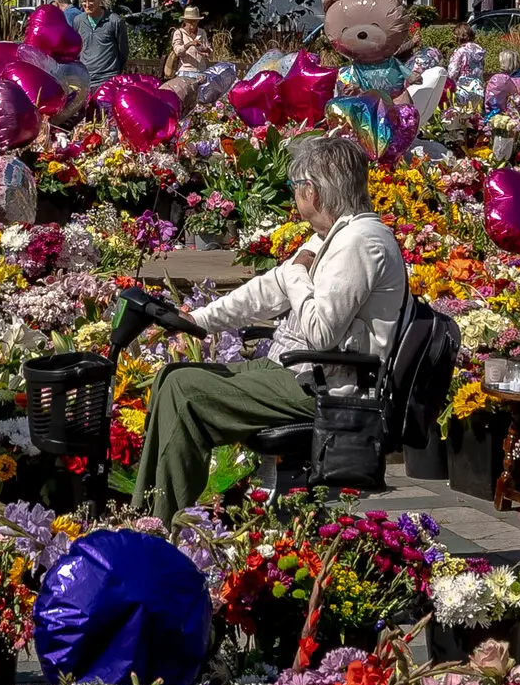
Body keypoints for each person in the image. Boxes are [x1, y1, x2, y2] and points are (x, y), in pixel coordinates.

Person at [133, 135, 407, 521]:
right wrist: (198, 321)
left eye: (295, 186)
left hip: (325, 386)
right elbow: (270, 289)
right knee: (172, 376)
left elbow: (321, 332)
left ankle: (165, 524)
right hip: (299, 370)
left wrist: (298, 274)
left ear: (312, 191)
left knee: (185, 391)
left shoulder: (360, 243)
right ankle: (147, 513)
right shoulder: (333, 237)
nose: (295, 195)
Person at [69, 0, 129, 86]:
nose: (87, 5)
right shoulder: (78, 21)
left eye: (91, 1)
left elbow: (123, 52)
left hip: (107, 79)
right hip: (85, 79)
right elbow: (76, 49)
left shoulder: (114, 21)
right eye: (84, 1)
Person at [163, 6, 214, 81]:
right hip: (185, 72)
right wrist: (189, 44)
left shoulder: (202, 32)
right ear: (185, 21)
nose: (192, 25)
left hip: (201, 73)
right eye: (190, 22)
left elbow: (209, 51)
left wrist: (207, 51)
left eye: (195, 21)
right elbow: (177, 51)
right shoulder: (179, 33)